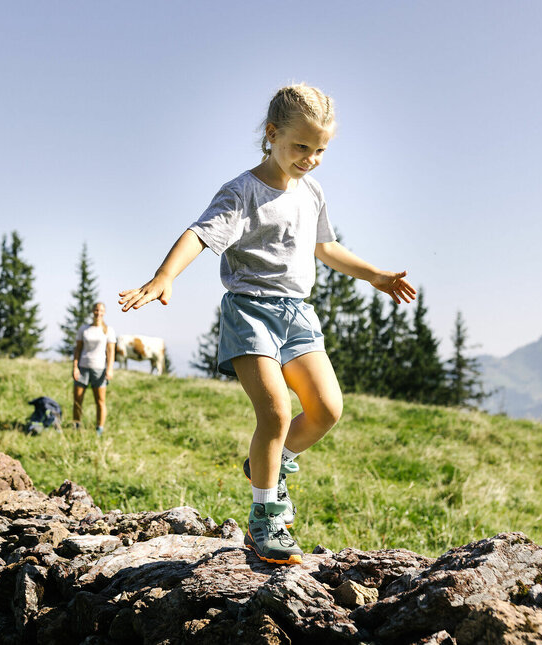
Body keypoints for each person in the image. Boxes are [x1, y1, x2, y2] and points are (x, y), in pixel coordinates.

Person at [118, 84, 416, 565]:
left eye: (320, 150)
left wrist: (374, 275)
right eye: (302, 146)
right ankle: (265, 519)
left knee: (327, 409)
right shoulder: (242, 192)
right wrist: (164, 276)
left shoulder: (312, 191)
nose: (311, 159)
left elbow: (325, 247)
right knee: (276, 412)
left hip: (298, 314)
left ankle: (272, 463)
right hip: (250, 311)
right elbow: (199, 233)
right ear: (272, 134)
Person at [72, 302, 116, 436]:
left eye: (101, 310)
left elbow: (111, 352)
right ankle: (76, 426)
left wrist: (110, 368)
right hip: (83, 368)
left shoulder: (108, 330)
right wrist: (75, 367)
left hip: (99, 369)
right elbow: (78, 349)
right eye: (96, 310)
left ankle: (99, 429)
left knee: (100, 401)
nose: (98, 313)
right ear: (92, 311)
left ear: (104, 312)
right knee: (77, 400)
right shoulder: (84, 329)